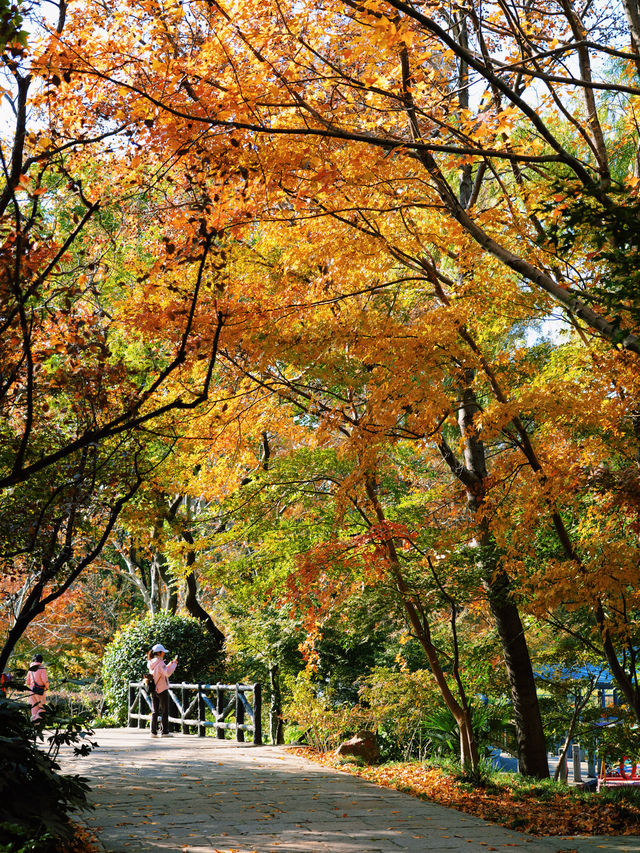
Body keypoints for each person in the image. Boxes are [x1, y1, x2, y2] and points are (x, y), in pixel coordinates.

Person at [147, 643, 178, 738]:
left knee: (154, 711)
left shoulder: (151, 662)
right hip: (162, 689)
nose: (164, 654)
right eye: (163, 652)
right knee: (165, 710)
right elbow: (167, 673)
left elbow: (162, 670)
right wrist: (175, 665)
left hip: (153, 689)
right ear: (159, 653)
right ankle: (164, 731)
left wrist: (170, 664)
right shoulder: (160, 663)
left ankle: (153, 732)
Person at [25, 654, 48, 722]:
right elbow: (44, 680)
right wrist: (47, 687)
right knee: (42, 708)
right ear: (41, 660)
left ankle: (34, 725)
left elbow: (27, 682)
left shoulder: (30, 669)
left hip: (31, 690)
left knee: (34, 709)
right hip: (40, 691)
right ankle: (37, 722)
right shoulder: (41, 668)